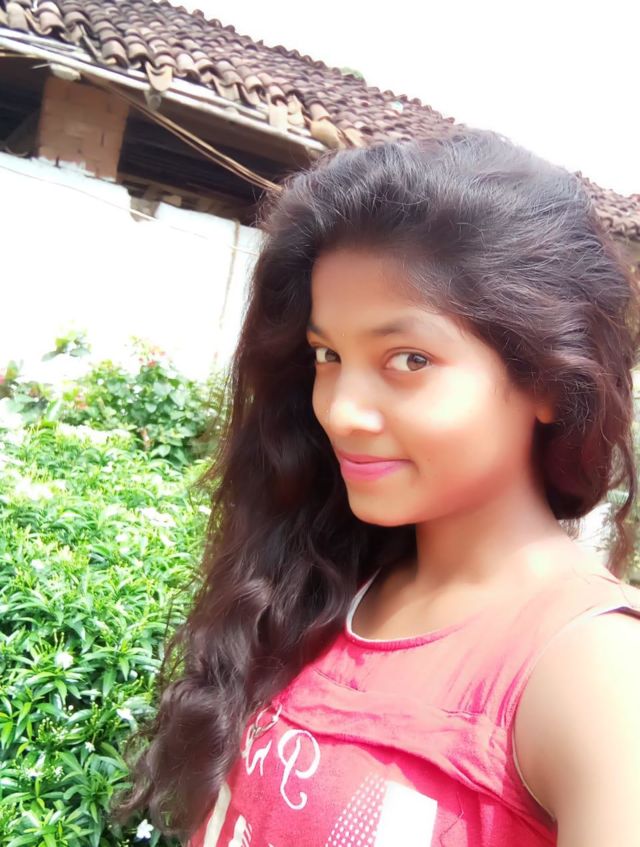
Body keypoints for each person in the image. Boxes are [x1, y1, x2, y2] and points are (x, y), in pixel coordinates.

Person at [113, 129, 640, 846]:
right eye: (327, 354)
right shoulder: (323, 588)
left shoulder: (595, 673)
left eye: (408, 359)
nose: (340, 412)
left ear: (549, 379)